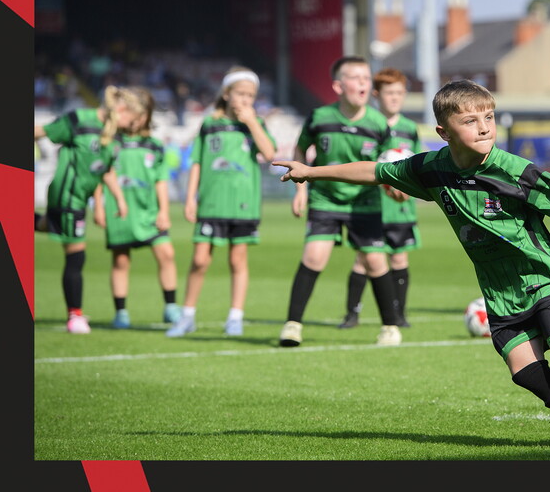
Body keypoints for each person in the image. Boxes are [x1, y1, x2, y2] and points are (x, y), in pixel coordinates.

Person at [272, 79, 550, 452]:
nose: (484, 127)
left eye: (489, 117)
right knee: (528, 374)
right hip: (498, 292)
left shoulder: (516, 172)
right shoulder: (429, 169)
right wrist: (312, 171)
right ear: (443, 132)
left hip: (541, 277)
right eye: (471, 120)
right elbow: (375, 171)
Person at [279, 55, 403, 347]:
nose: (363, 82)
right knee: (314, 256)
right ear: (338, 85)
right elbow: (300, 149)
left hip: (364, 202)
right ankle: (292, 325)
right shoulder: (319, 117)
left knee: (375, 260)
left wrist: (392, 186)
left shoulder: (378, 124)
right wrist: (299, 191)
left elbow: (388, 165)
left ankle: (390, 327)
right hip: (325, 199)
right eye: (356, 77)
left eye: (366, 77)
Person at [165, 66, 277, 338]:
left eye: (251, 95)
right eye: (240, 93)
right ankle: (187, 315)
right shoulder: (210, 124)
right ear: (226, 94)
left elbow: (270, 153)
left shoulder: (256, 125)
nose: (245, 99)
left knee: (238, 260)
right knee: (200, 260)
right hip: (211, 204)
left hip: (243, 204)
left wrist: (251, 121)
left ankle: (235, 316)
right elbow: (196, 162)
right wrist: (190, 197)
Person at [34, 85, 150, 333]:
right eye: (132, 118)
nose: (133, 125)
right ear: (121, 110)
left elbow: (105, 168)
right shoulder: (79, 120)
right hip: (66, 195)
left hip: (80, 199)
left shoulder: (113, 136)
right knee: (77, 254)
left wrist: (118, 199)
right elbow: (41, 131)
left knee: (45, 224)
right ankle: (75, 316)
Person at [339, 67, 422, 330]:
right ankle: (352, 314)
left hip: (401, 210)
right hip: (372, 207)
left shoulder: (410, 128)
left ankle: (400, 314)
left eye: (399, 92)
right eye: (389, 93)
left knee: (399, 258)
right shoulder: (368, 124)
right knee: (364, 260)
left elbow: (418, 167)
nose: (395, 98)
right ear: (376, 95)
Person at [92, 87, 181, 329]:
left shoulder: (153, 145)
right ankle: (121, 312)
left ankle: (171, 307)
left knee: (167, 254)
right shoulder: (111, 141)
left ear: (146, 116)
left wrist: (164, 211)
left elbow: (161, 180)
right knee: (121, 261)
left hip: (149, 210)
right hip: (119, 210)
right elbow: (100, 174)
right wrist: (98, 206)